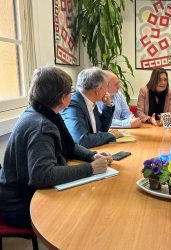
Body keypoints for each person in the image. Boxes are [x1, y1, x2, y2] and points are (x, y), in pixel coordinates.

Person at [0, 66, 111, 228]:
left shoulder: (44, 112)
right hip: (21, 204)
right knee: (87, 213)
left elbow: (70, 146)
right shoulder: (41, 126)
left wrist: (92, 156)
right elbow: (42, 175)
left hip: (23, 193)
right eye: (70, 90)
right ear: (62, 97)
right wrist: (91, 168)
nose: (73, 94)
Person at [61, 67, 117, 148]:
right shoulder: (73, 104)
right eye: (106, 87)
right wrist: (111, 135)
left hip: (95, 151)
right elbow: (82, 141)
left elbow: (102, 129)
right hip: (76, 158)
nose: (107, 91)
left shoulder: (90, 100)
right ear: (97, 90)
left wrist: (108, 104)